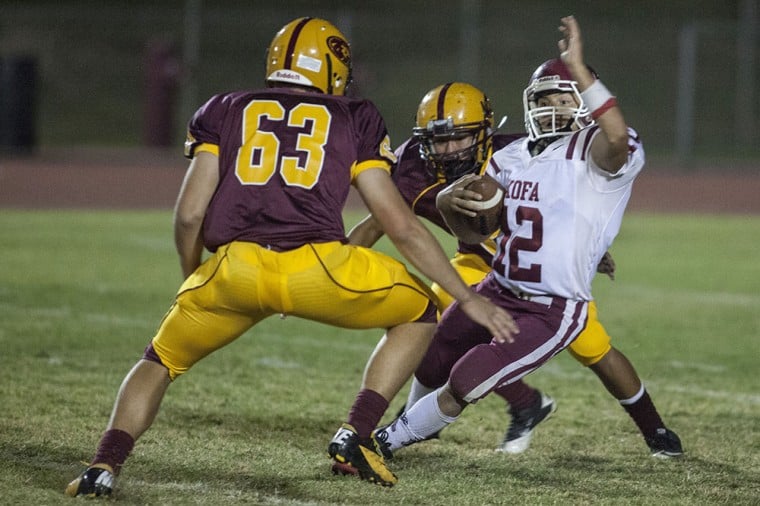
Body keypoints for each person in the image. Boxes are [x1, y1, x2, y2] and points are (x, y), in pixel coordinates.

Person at [64, 17, 517, 497]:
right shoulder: (353, 115)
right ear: (333, 68)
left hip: (233, 269)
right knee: (422, 311)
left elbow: (190, 213)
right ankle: (355, 433)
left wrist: (194, 276)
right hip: (318, 268)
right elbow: (400, 224)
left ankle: (103, 466)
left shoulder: (223, 108)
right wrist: (467, 296)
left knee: (159, 360)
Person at [367, 15, 682, 478]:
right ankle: (409, 429)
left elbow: (615, 136)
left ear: (586, 102)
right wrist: (454, 204)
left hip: (552, 307)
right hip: (499, 286)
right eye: (545, 100)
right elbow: (477, 232)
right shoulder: (511, 155)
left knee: (469, 377)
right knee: (434, 355)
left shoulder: (597, 152)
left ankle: (387, 440)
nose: (553, 108)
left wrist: (579, 67)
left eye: (564, 98)